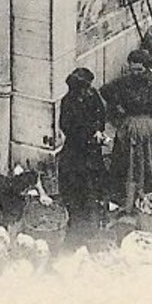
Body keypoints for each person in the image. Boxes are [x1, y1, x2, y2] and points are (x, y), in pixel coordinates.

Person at [100, 50, 152, 212]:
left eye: (139, 70)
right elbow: (105, 90)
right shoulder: (124, 81)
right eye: (133, 69)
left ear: (146, 68)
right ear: (129, 67)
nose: (136, 73)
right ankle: (127, 194)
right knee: (128, 160)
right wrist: (118, 107)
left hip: (151, 126)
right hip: (130, 125)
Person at [57, 68, 109, 236]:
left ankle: (95, 219)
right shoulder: (68, 102)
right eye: (84, 88)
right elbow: (67, 127)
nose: (87, 90)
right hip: (76, 148)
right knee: (74, 184)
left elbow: (101, 114)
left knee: (94, 183)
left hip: (92, 149)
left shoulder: (93, 95)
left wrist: (98, 130)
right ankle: (76, 222)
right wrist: (89, 135)